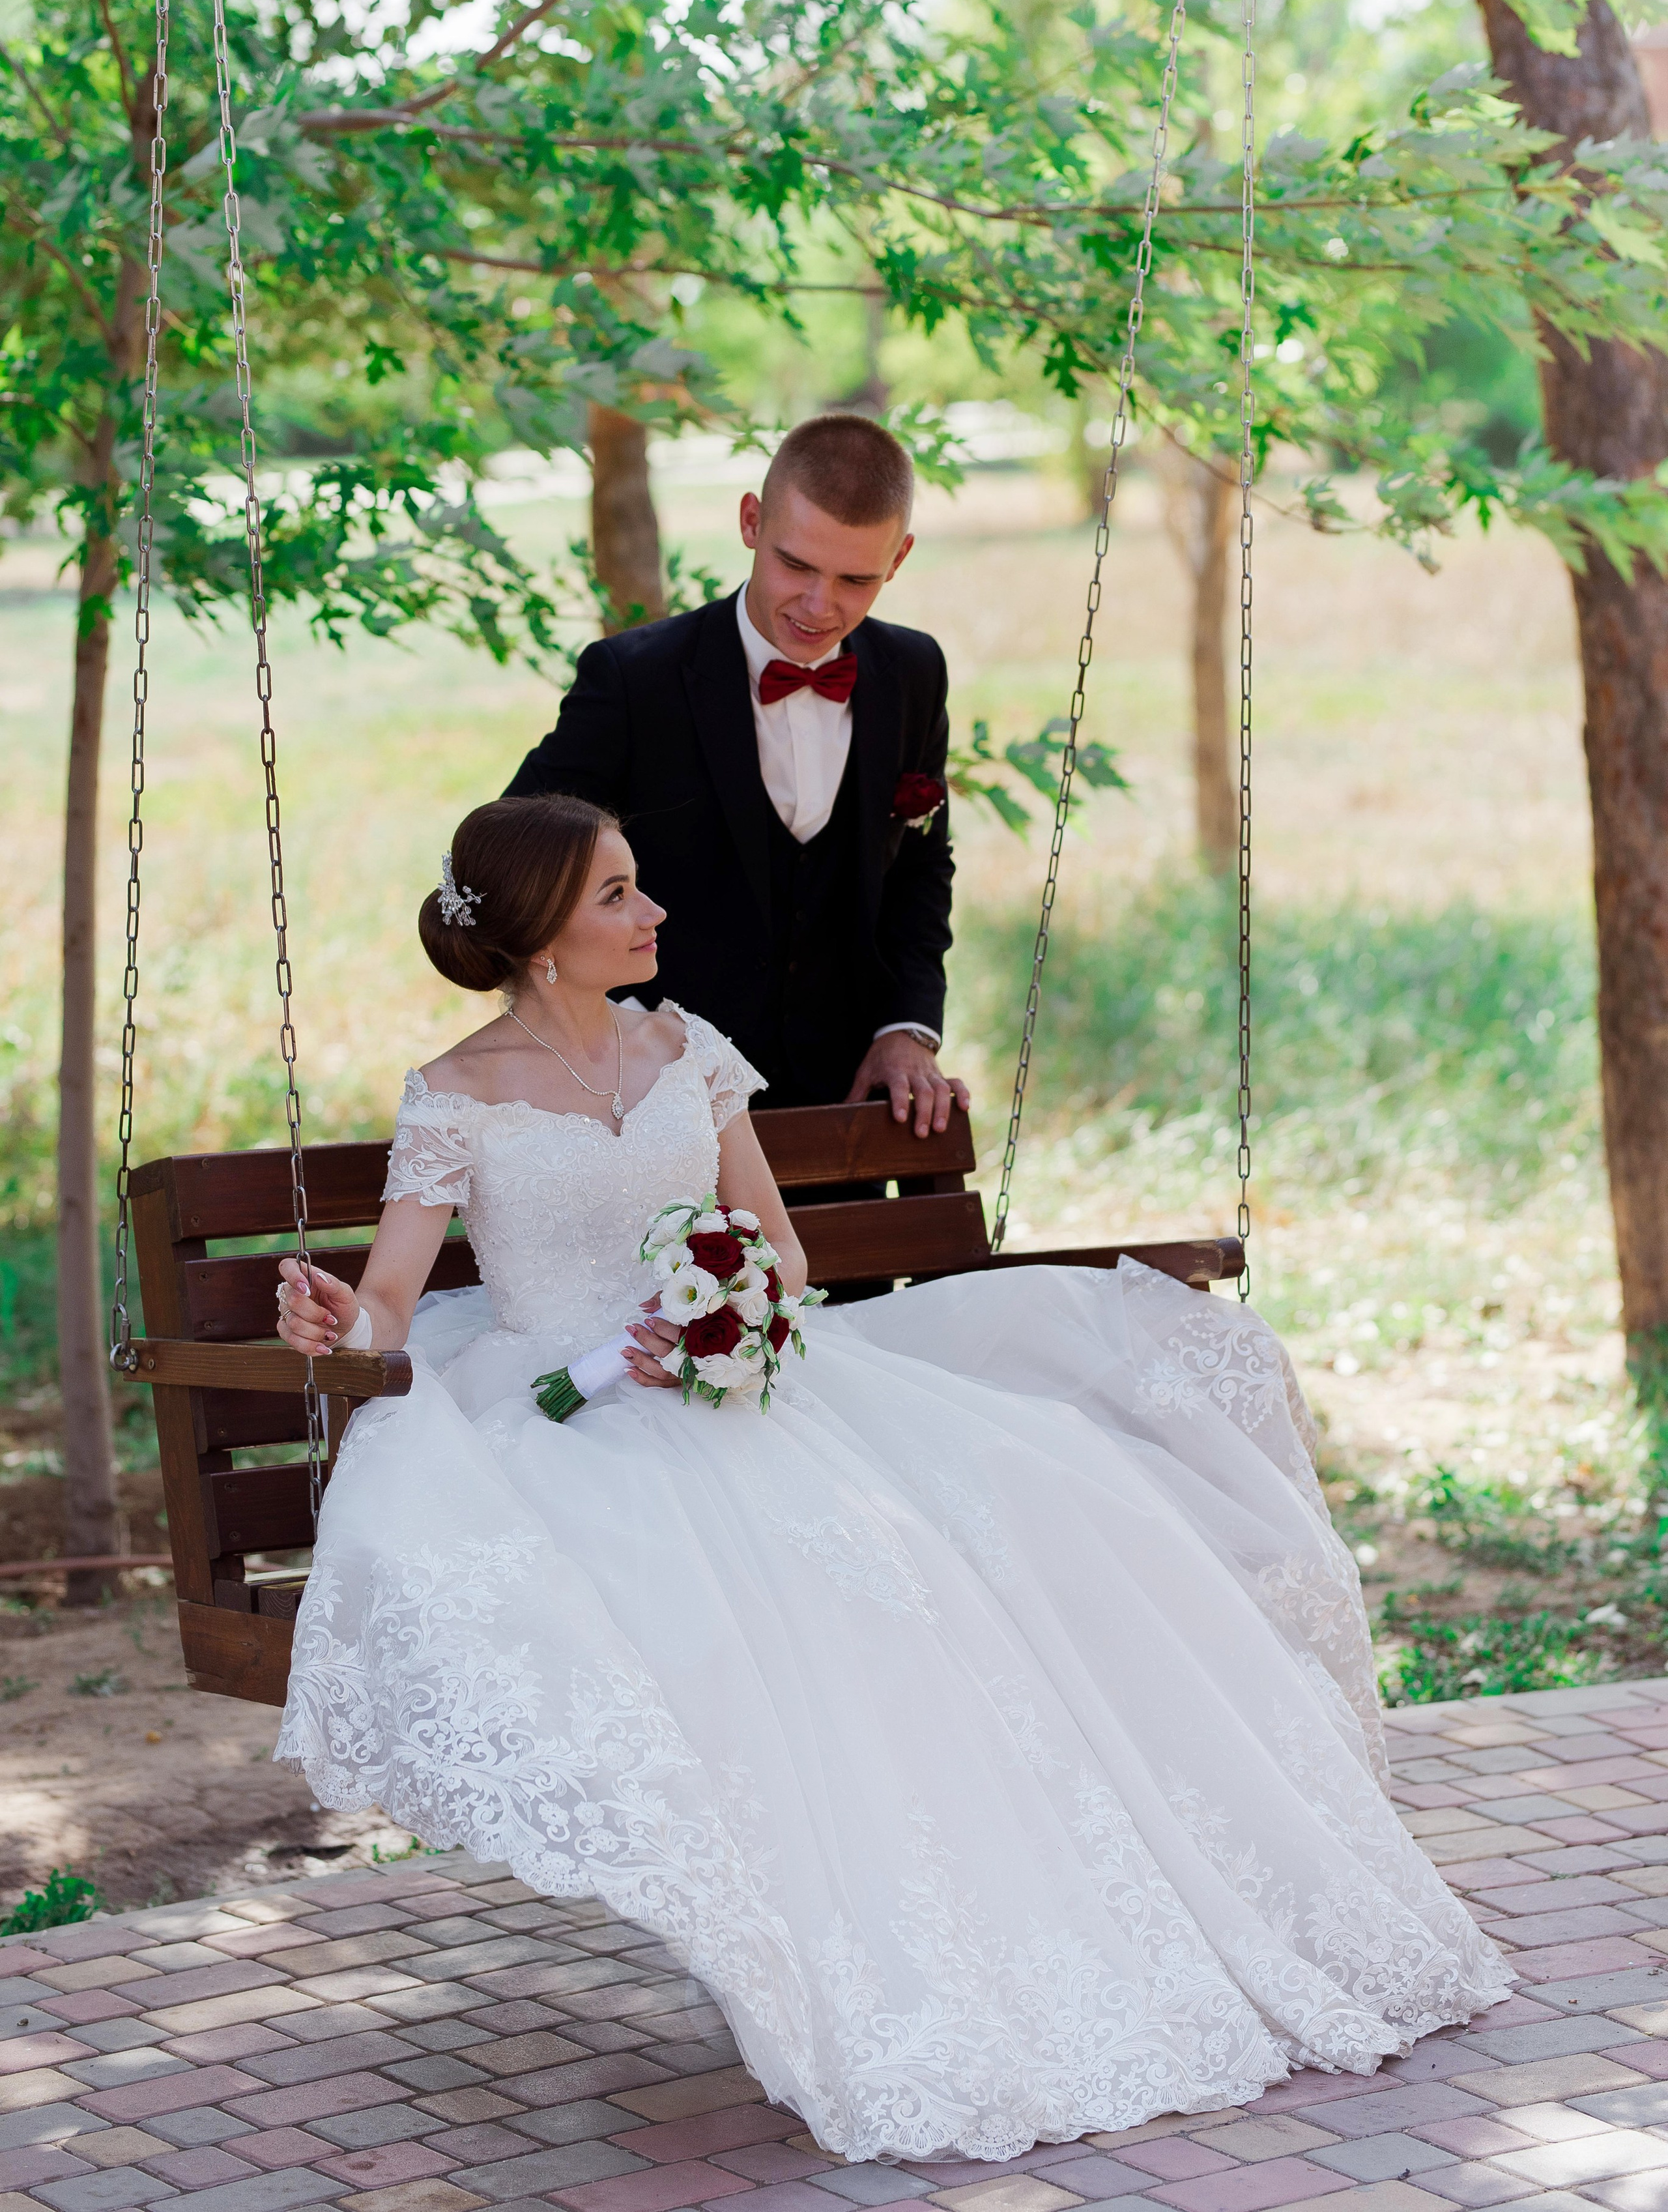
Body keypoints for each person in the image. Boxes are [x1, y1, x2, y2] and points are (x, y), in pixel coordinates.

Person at [272, 795, 1507, 2168]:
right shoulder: (457, 1092)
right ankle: (815, 1950)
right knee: (726, 1610)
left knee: (959, 1556)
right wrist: (338, 1320)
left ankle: (1012, 1920)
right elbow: (390, 1301)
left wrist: (715, 1320)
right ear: (543, 934)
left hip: (738, 1386)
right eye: (619, 894)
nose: (653, 913)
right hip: (561, 1423)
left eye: (641, 884)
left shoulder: (688, 1049)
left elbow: (782, 1258)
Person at [503, 413, 970, 1133]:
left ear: (899, 558)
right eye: (796, 565)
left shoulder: (913, 672)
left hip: (846, 1099)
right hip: (653, 1110)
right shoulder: (635, 680)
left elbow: (919, 867)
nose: (820, 606)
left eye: (855, 578)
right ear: (751, 522)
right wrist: (613, 1030)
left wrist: (906, 1028)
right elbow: (509, 868)